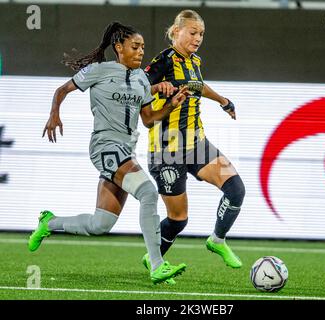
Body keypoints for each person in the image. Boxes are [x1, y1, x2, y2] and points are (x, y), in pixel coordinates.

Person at [27, 21, 190, 285]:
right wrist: (54, 114)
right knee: (148, 192)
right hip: (105, 147)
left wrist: (171, 105)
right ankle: (157, 264)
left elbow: (149, 119)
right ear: (119, 47)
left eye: (143, 48)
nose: (140, 52)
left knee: (100, 224)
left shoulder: (140, 78)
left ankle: (50, 223)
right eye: (135, 47)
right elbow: (62, 90)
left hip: (126, 151)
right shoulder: (98, 71)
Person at [142, 9, 246, 278]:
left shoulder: (194, 60)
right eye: (193, 32)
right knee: (178, 219)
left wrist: (223, 101)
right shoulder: (163, 61)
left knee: (235, 189)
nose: (198, 38)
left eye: (201, 33)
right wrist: (157, 89)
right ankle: (155, 261)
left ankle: (217, 240)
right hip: (167, 149)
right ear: (176, 32)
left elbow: (199, 86)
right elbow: (139, 86)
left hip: (197, 143)